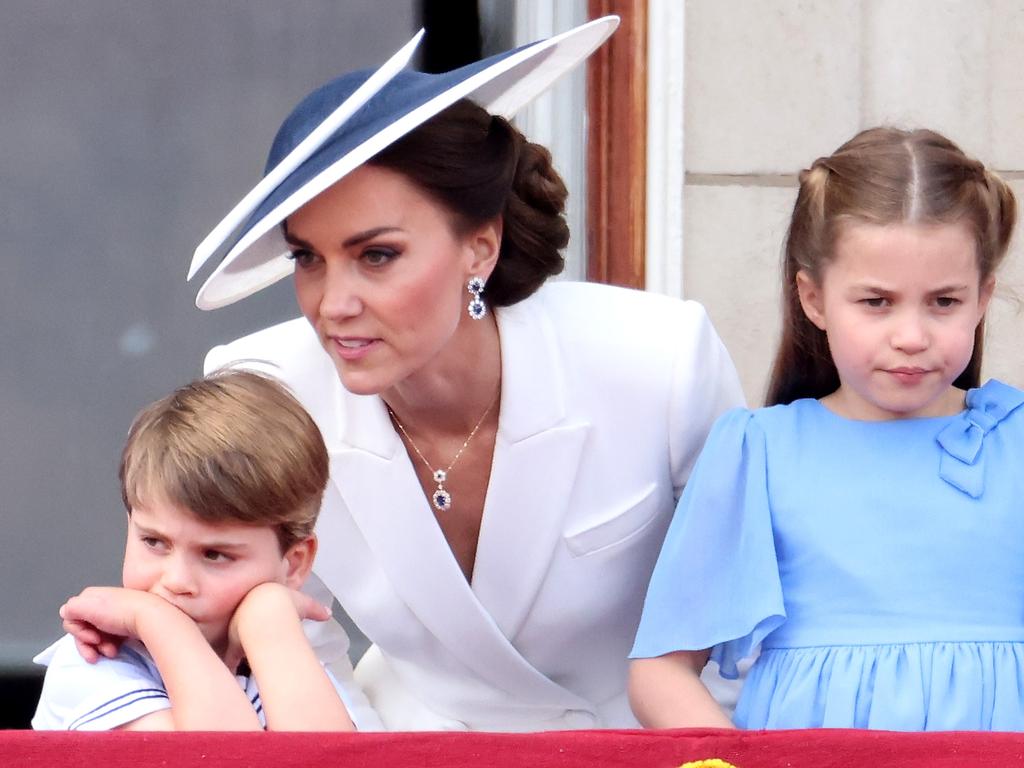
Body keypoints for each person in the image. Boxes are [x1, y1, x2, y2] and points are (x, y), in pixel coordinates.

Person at [174, 17, 745, 731]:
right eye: (307, 259)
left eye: (376, 255)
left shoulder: (658, 361)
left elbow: (742, 632)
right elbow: (297, 643)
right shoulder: (266, 390)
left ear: (480, 246)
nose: (333, 303)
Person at [628, 126, 1024, 731]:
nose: (912, 335)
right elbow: (662, 668)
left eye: (944, 301)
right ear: (814, 299)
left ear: (982, 297)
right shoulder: (758, 452)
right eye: (876, 302)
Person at [33, 370, 354, 731]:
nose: (176, 581)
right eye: (154, 542)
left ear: (293, 564)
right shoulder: (93, 664)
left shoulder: (290, 666)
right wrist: (160, 622)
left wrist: (269, 623)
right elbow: (218, 759)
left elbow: (330, 759)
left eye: (215, 555)